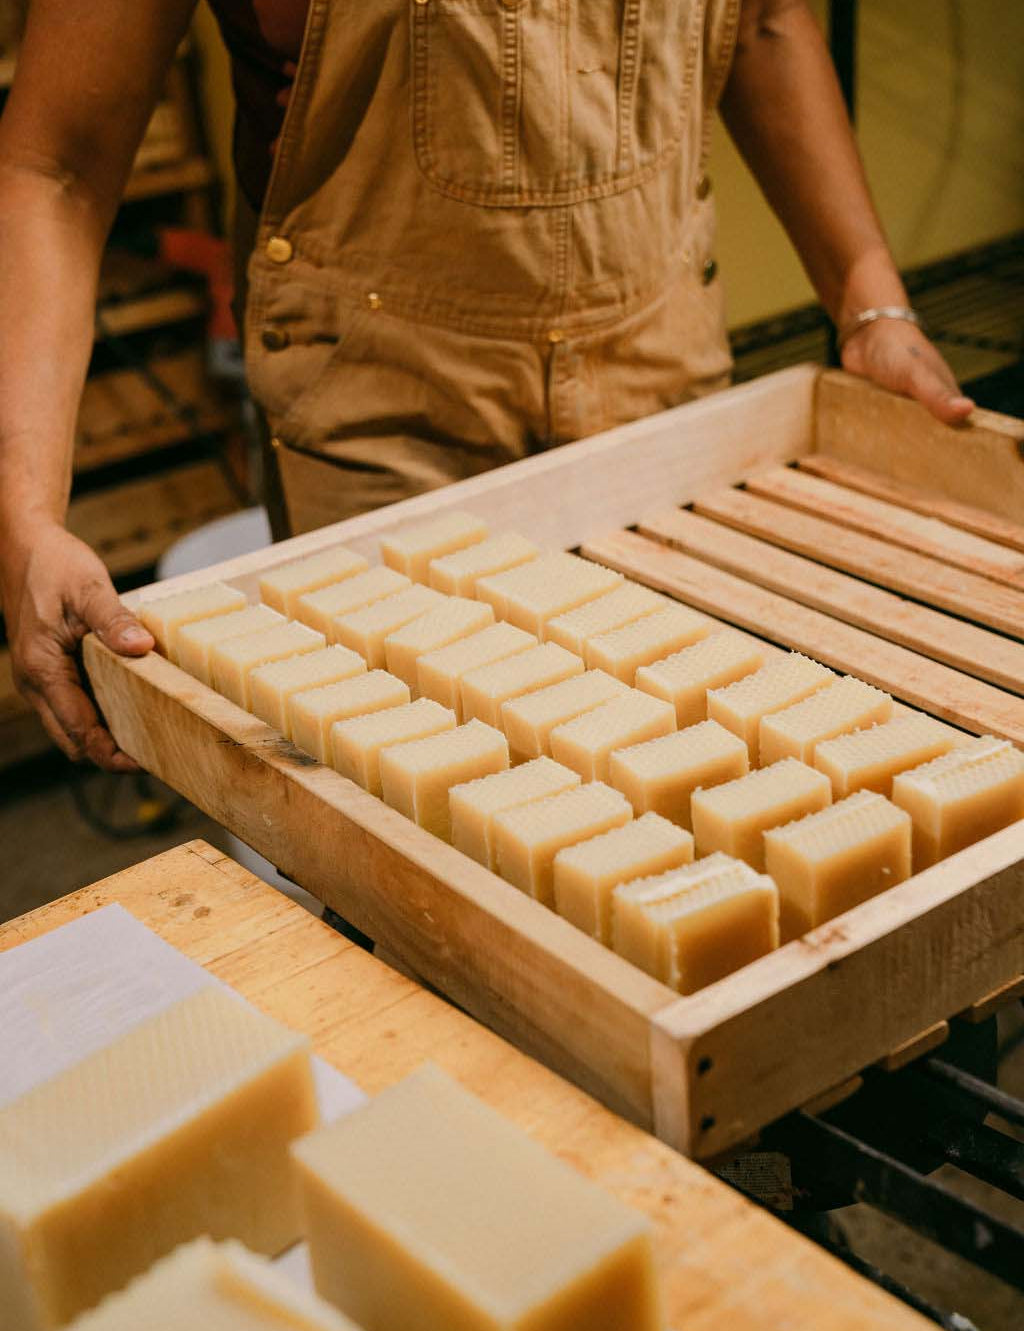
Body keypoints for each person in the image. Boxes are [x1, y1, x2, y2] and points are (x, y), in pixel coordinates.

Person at [0, 0, 973, 771]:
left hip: (664, 402)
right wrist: (25, 519)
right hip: (385, 431)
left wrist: (871, 305)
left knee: (707, 797)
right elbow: (57, 167)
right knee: (430, 858)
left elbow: (763, 20)